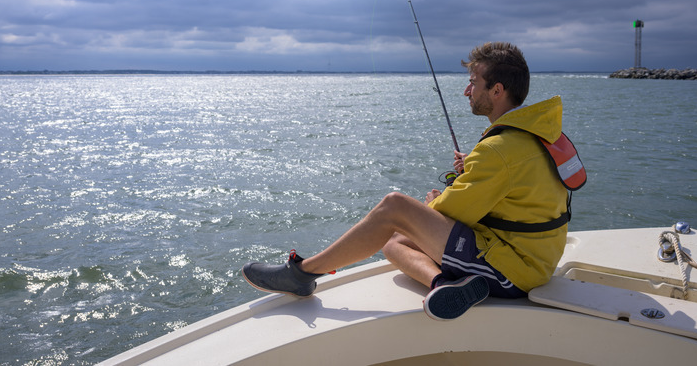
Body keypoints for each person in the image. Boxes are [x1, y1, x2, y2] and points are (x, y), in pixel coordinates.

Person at [242, 42, 572, 320]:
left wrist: (432, 204)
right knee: (392, 242)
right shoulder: (537, 135)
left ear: (497, 90)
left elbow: (454, 211)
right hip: (536, 259)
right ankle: (444, 286)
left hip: (513, 270)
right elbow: (518, 189)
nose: (467, 90)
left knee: (395, 208)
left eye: (474, 82)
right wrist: (472, 169)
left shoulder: (499, 149)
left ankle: (301, 274)